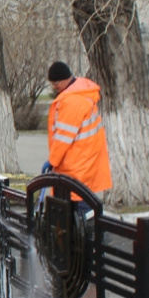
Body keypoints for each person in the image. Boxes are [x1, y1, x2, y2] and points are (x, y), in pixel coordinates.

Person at [43, 61, 112, 199]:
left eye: (55, 83)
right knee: (80, 201)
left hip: (77, 164)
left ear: (63, 80)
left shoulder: (72, 101)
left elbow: (64, 136)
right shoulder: (78, 94)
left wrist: (52, 161)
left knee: (76, 205)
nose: (54, 87)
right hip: (83, 160)